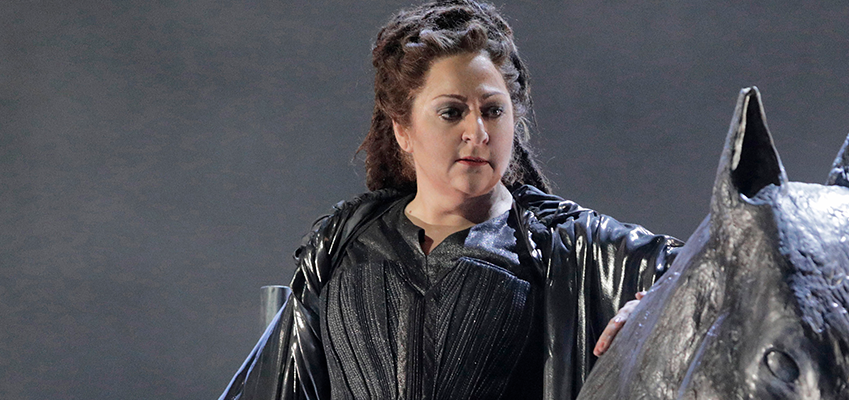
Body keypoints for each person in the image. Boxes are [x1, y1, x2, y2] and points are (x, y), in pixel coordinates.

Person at [218, 1, 681, 399]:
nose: (477, 132)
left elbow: (716, 267)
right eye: (451, 111)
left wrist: (660, 302)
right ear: (403, 129)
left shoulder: (564, 244)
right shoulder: (341, 245)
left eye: (493, 111)